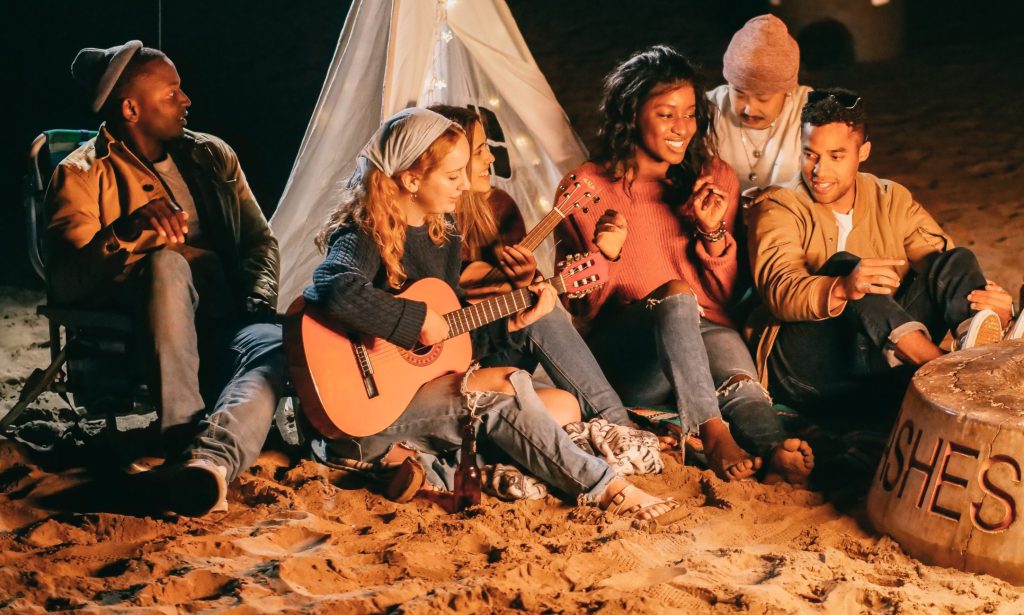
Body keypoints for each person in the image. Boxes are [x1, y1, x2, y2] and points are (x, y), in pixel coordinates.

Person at [303, 107, 678, 520]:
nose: (465, 184)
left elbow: (451, 346)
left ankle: (419, 465)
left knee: (562, 408)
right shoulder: (365, 232)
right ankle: (606, 488)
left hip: (417, 394)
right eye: (452, 175)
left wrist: (511, 325)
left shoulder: (442, 235)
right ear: (411, 180)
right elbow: (332, 286)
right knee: (500, 396)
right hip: (367, 409)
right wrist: (413, 322)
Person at [46, 41, 286, 516]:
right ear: (131, 107)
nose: (187, 101)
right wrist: (128, 232)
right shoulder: (81, 174)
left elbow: (260, 243)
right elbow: (68, 283)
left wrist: (257, 299)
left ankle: (207, 457)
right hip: (151, 332)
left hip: (230, 314)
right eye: (172, 93)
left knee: (278, 343)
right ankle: (183, 434)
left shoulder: (212, 157)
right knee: (166, 262)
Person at [557, 46, 813, 485]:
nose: (682, 129)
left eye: (691, 114)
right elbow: (582, 309)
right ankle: (711, 433)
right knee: (676, 294)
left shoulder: (714, 178)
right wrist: (608, 255)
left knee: (739, 381)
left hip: (703, 332)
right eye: (666, 115)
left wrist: (712, 234)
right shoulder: (586, 187)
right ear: (632, 114)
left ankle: (772, 450)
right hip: (631, 355)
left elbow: (722, 299)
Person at [747, 88, 1022, 417]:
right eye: (810, 154)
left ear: (863, 152)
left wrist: (993, 306)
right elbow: (780, 289)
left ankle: (979, 348)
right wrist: (842, 287)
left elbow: (945, 271)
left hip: (879, 358)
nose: (819, 170)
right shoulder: (779, 205)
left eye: (836, 156)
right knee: (848, 268)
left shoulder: (890, 198)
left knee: (957, 260)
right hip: (805, 373)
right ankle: (946, 372)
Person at [429, 104, 644, 431]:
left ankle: (616, 423)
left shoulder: (498, 207)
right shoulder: (424, 224)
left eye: (488, 147)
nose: (490, 159)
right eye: (479, 151)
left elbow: (516, 296)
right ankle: (619, 424)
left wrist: (528, 278)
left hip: (492, 345)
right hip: (440, 358)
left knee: (541, 310)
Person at [707, 15, 812, 194]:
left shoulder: (809, 111)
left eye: (762, 98)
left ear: (787, 90)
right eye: (739, 93)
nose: (749, 108)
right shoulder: (709, 108)